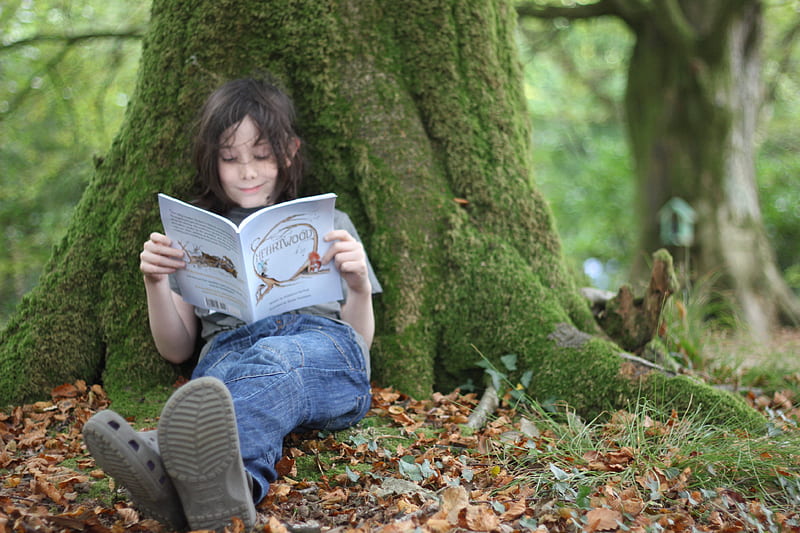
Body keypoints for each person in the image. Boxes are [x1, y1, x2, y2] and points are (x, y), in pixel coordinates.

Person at [83, 77, 381, 532]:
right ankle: (227, 491)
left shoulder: (330, 221)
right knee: (223, 396)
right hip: (228, 352)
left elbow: (358, 343)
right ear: (211, 159)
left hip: (323, 349)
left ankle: (164, 452)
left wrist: (358, 286)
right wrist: (156, 282)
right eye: (230, 158)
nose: (247, 172)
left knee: (277, 361)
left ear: (290, 151)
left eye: (261, 156)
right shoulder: (195, 234)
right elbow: (177, 349)